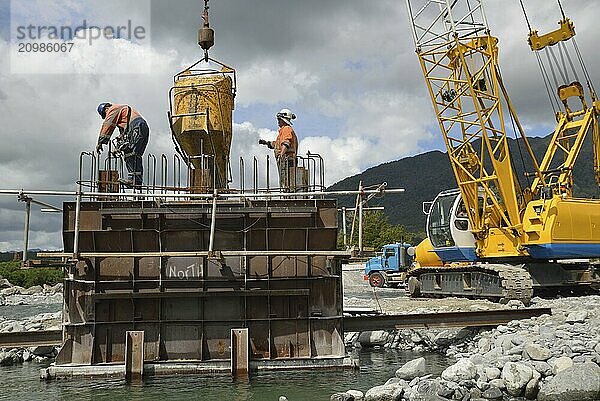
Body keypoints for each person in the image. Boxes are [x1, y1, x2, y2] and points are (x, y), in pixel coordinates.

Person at [96, 102, 150, 187]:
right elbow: (124, 134)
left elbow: (108, 124)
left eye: (105, 114)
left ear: (106, 109)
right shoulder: (123, 113)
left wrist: (100, 142)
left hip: (136, 126)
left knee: (129, 153)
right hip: (143, 127)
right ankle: (137, 181)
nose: (106, 116)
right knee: (136, 155)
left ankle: (133, 179)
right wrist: (117, 147)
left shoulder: (113, 109)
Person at [259, 108, 299, 189]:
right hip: (287, 160)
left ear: (283, 119)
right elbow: (277, 144)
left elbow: (286, 143)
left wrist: (282, 154)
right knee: (285, 182)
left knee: (286, 182)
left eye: (279, 119)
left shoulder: (286, 129)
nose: (278, 121)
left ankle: (287, 195)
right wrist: (266, 143)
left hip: (287, 160)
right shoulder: (283, 131)